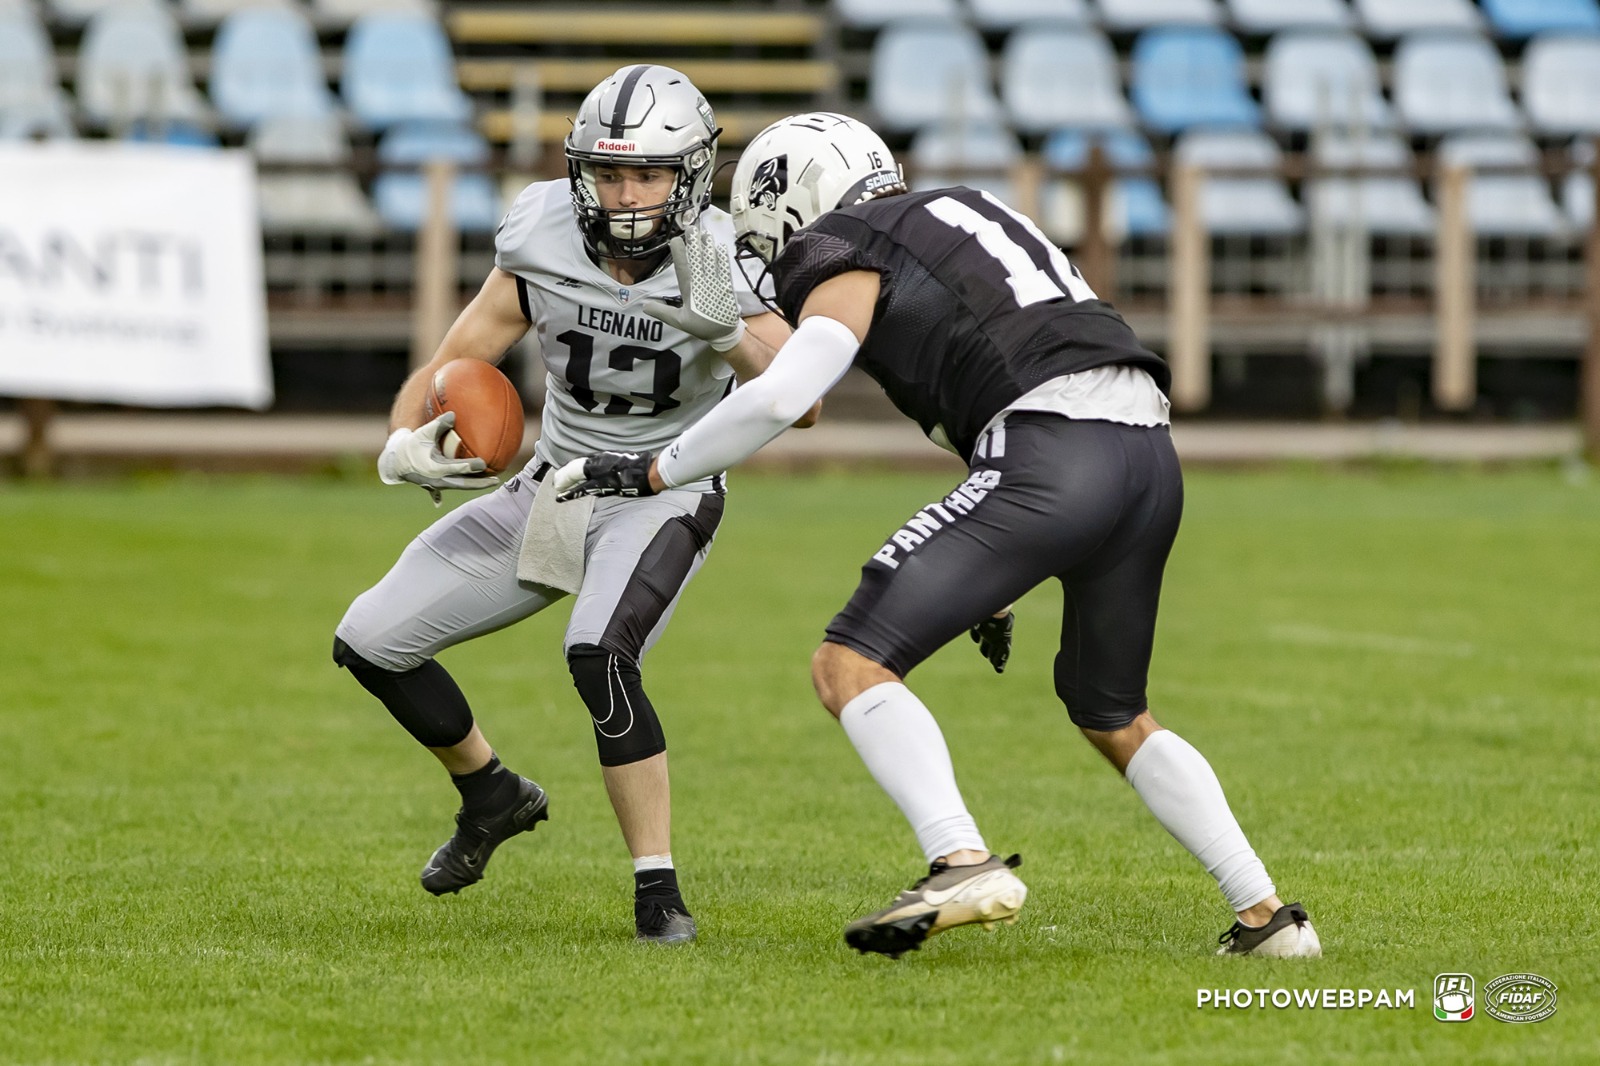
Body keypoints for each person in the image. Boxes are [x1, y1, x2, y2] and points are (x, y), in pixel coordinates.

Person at [555, 112, 1321, 959]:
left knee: (848, 663)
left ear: (794, 197)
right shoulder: (966, 211)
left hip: (1052, 454)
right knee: (1112, 711)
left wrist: (655, 470)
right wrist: (995, 573)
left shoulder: (848, 237)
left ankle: (960, 860)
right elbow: (1013, 360)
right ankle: (1269, 919)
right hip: (1145, 456)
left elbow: (786, 394)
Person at [332, 66, 806, 944]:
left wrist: (729, 331)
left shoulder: (724, 253)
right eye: (609, 172)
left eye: (648, 174)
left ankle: (657, 890)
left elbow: (801, 403)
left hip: (664, 488)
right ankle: (491, 793)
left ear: (690, 174)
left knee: (598, 653)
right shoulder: (543, 231)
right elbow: (452, 361)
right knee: (369, 640)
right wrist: (404, 438)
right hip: (556, 482)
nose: (626, 196)